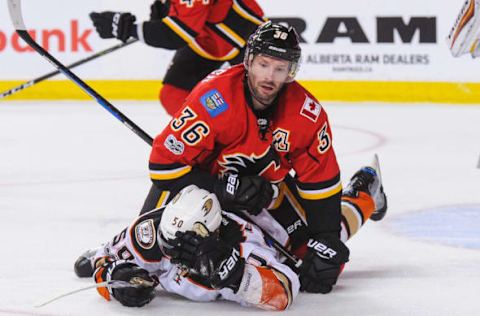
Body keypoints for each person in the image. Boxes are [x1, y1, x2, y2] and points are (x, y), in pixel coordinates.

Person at [75, 21, 388, 295]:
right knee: (158, 248)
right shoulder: (214, 99)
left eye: (280, 69)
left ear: (291, 71)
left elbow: (319, 185)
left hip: (269, 196)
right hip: (198, 189)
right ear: (249, 61)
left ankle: (363, 195)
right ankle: (114, 253)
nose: (270, 76)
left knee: (312, 259)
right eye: (264, 64)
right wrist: (222, 187)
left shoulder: (306, 114)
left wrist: (327, 240)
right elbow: (164, 167)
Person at [90, 185, 299, 310]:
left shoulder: (243, 243)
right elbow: (103, 259)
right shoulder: (150, 230)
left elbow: (286, 289)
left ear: (210, 235)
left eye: (181, 245)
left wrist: (236, 275)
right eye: (167, 239)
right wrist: (117, 277)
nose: (170, 252)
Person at [89, 0, 266, 115]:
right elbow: (178, 17)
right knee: (174, 95)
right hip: (206, 41)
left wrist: (129, 29)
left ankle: (248, 142)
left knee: (262, 106)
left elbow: (177, 34)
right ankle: (217, 139)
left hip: (248, 37)